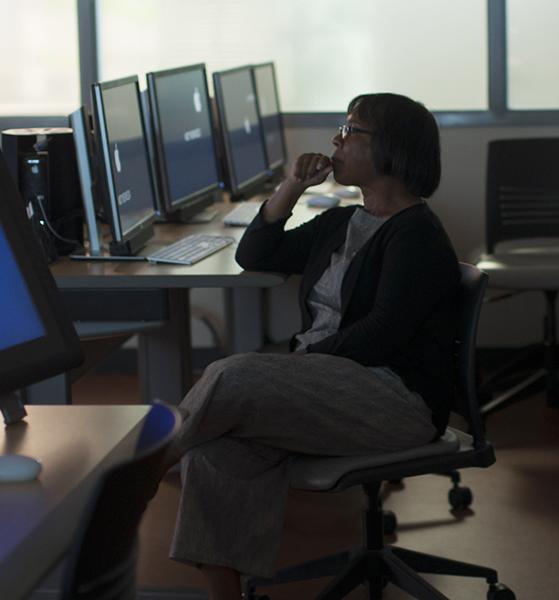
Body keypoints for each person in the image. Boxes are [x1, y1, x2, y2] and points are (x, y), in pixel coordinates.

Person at [167, 93, 460, 600]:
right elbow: (257, 254)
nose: (336, 140)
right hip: (333, 383)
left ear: (388, 148)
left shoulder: (417, 235)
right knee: (216, 452)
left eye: (350, 131)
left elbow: (383, 333)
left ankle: (140, 471)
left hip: (394, 401)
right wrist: (291, 186)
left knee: (232, 375)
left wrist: (299, 366)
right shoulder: (346, 221)